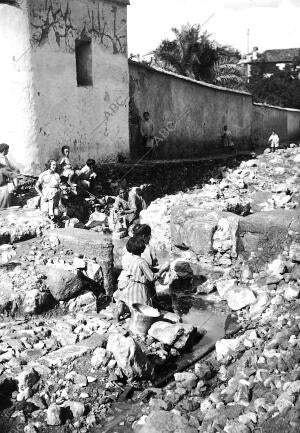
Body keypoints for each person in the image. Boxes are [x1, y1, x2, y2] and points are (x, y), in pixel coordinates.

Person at [114, 236, 156, 321]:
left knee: (125, 301)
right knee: (143, 307)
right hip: (138, 288)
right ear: (142, 248)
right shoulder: (142, 261)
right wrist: (160, 272)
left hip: (128, 284)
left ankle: (117, 319)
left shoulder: (131, 258)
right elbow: (151, 278)